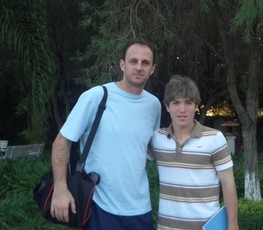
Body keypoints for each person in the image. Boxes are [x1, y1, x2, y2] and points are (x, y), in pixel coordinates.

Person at [50, 39, 161, 230]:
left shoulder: (154, 105)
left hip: (140, 209)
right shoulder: (97, 96)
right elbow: (62, 141)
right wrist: (60, 189)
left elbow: (150, 148)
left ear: (152, 69)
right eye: (133, 61)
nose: (139, 67)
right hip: (99, 207)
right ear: (122, 64)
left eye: (145, 63)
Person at [149, 75, 239, 229]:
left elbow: (228, 184)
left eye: (188, 103)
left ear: (196, 105)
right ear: (167, 106)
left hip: (205, 226)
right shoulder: (158, 139)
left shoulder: (214, 138)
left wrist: (232, 224)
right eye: (176, 103)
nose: (182, 109)